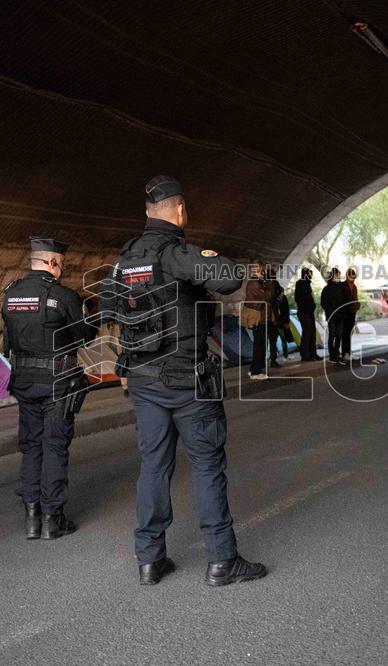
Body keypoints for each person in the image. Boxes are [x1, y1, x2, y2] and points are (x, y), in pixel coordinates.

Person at [104, 175, 265, 587]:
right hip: (186, 381)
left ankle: (149, 560)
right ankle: (222, 562)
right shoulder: (175, 254)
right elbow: (228, 277)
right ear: (180, 211)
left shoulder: (125, 260)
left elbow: (109, 308)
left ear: (146, 212)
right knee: (208, 465)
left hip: (142, 379)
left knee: (154, 466)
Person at [1, 237, 96, 541]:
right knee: (54, 446)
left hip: (24, 381)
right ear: (53, 262)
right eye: (61, 264)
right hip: (58, 383)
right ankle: (53, 519)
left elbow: (9, 341)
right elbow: (85, 336)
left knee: (31, 447)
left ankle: (31, 518)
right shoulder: (63, 296)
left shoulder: (10, 295)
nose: (61, 269)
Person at [241, 263, 274, 379]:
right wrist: (270, 284)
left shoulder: (257, 283)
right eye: (263, 270)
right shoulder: (255, 283)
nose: (265, 272)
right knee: (260, 344)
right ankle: (256, 372)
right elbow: (268, 296)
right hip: (259, 318)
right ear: (260, 270)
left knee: (259, 344)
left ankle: (253, 369)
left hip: (260, 317)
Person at [294, 267, 320, 361]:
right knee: (307, 333)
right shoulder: (301, 284)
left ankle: (313, 353)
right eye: (309, 274)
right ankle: (305, 355)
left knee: (312, 333)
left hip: (309, 312)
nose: (311, 276)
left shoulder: (307, 284)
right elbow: (299, 299)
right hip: (304, 312)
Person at [320, 267, 345, 364]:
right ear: (334, 275)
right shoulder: (326, 289)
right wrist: (330, 310)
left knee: (339, 335)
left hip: (340, 315)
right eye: (338, 275)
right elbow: (323, 302)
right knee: (332, 335)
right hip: (332, 315)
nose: (339, 276)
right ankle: (332, 355)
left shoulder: (341, 287)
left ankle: (336, 353)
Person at [340, 268, 360, 360]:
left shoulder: (354, 287)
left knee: (349, 333)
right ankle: (345, 353)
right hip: (344, 314)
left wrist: (357, 306)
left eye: (354, 277)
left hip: (352, 312)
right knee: (345, 334)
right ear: (347, 276)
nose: (353, 279)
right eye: (351, 276)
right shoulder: (342, 285)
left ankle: (349, 352)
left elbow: (355, 298)